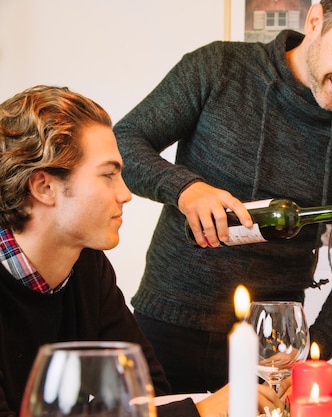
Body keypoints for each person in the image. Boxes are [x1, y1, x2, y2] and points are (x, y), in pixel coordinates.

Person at [113, 0, 332, 393]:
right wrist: (184, 188)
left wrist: (309, 360)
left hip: (274, 347)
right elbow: (123, 143)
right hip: (168, 323)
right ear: (314, 20)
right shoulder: (218, 66)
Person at [0, 85, 282, 417]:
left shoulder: (87, 264)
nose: (125, 194)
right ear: (44, 187)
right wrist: (200, 412)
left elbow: (147, 389)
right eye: (108, 175)